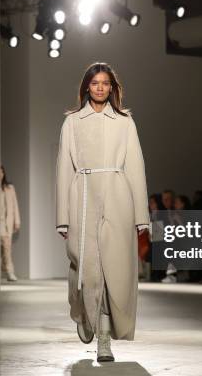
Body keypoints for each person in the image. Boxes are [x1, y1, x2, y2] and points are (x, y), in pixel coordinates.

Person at [55, 62, 150, 362]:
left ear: (112, 87)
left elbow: (136, 168)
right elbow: (62, 170)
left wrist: (141, 217)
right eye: (95, 83)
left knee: (113, 274)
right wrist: (62, 217)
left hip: (117, 198)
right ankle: (83, 312)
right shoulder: (72, 123)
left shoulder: (125, 122)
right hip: (82, 195)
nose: (100, 88)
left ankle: (104, 339)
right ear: (86, 87)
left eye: (105, 83)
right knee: (82, 267)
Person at [0, 165, 21, 282]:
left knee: (7, 248)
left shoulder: (9, 188)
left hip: (6, 222)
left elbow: (14, 205)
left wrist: (17, 221)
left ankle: (9, 272)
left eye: (1, 172)